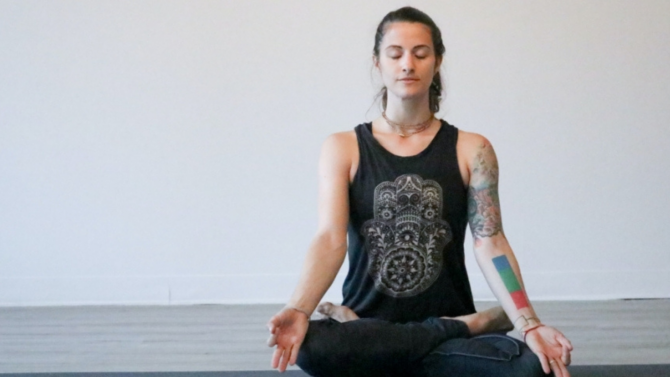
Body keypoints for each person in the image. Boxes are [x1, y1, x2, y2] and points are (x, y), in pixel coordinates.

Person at [267, 6, 573, 377]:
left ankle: (401, 352)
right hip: (372, 326)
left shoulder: (472, 149)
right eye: (395, 54)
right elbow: (331, 238)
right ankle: (470, 326)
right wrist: (299, 309)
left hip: (388, 336)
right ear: (378, 62)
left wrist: (528, 322)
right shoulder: (342, 147)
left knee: (530, 367)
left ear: (437, 61)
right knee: (311, 349)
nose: (407, 64)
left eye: (420, 53)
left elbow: (490, 241)